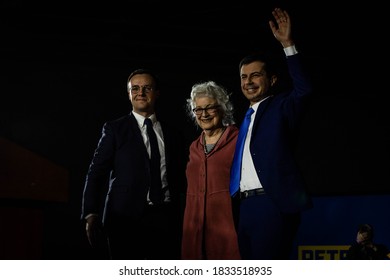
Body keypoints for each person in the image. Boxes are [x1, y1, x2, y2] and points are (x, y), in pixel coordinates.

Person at [229, 7, 313, 260]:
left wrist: (288, 45)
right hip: (243, 206)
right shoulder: (242, 120)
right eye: (244, 77)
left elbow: (305, 90)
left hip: (272, 203)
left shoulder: (281, 106)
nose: (248, 81)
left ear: (273, 79)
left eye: (255, 75)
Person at [80, 68, 186, 260]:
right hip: (124, 220)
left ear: (157, 92)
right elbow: (96, 172)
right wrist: (90, 212)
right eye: (135, 88)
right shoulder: (114, 129)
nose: (141, 93)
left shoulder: (173, 133)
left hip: (165, 218)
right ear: (129, 94)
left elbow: (180, 176)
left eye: (147, 88)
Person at [181, 81, 241, 259]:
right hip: (195, 233)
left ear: (222, 108)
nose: (204, 114)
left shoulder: (238, 139)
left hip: (227, 231)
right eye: (198, 109)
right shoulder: (194, 147)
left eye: (209, 108)